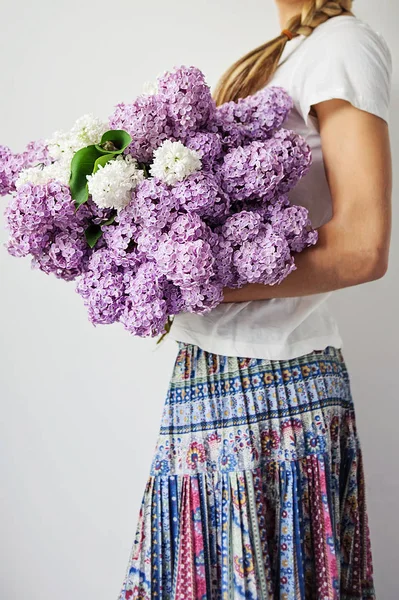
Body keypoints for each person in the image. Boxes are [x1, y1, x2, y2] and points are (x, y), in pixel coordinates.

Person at [117, 1, 392, 598]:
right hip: (204, 375)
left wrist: (187, 278)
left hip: (275, 384)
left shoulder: (344, 45)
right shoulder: (281, 54)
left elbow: (363, 247)